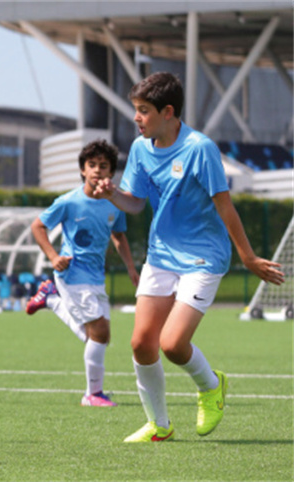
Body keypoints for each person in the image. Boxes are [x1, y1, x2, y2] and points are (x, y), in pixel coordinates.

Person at [92, 72, 285, 442]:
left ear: (168, 112)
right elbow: (136, 203)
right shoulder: (140, 149)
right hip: (161, 255)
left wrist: (248, 257)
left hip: (203, 257)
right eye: (136, 109)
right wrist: (112, 194)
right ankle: (159, 425)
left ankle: (211, 386)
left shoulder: (200, 148)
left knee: (172, 344)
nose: (136, 117)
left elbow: (225, 206)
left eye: (143, 110)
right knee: (141, 344)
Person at [27, 139, 140, 407]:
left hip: (96, 276)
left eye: (104, 165)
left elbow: (119, 236)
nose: (97, 170)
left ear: (111, 172)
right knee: (99, 332)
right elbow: (37, 226)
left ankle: (50, 299)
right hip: (72, 273)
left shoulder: (115, 202)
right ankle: (92, 394)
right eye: (92, 165)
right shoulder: (69, 201)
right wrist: (53, 257)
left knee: (99, 337)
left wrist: (131, 268)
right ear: (82, 170)